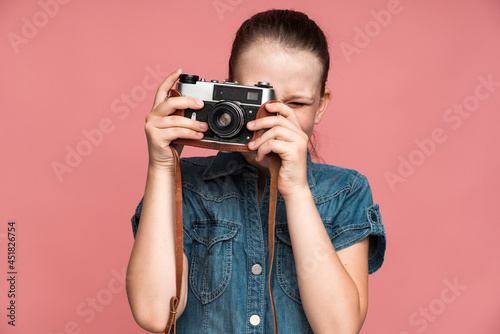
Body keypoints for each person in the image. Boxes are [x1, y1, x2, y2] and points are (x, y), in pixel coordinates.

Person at [126, 9, 386, 334]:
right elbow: (155, 314)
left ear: (321, 105)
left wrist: (297, 191)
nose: (274, 118)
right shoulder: (187, 184)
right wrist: (162, 167)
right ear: (228, 93)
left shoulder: (346, 191)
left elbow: (338, 328)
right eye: (260, 100)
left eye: (297, 104)